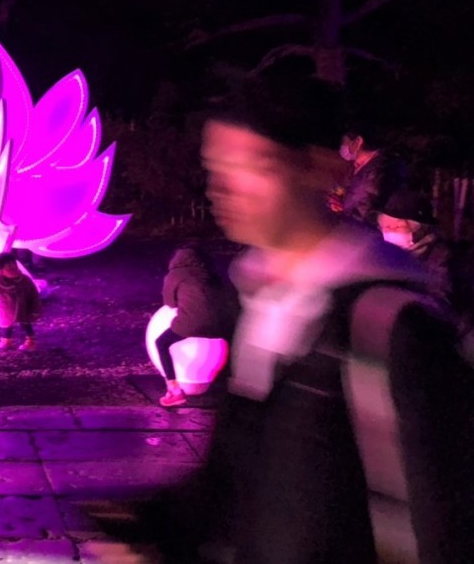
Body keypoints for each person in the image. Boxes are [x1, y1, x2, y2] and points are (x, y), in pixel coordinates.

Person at [146, 76, 474, 564]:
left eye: (251, 166)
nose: (223, 188)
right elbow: (241, 474)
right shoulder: (255, 301)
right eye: (216, 168)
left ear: (319, 168)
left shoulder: (392, 326)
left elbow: (442, 519)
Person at [155, 244, 237, 407]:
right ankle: (233, 388)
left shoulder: (175, 275)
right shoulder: (211, 274)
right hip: (223, 324)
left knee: (162, 343)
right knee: (233, 346)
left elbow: (170, 303)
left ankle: (174, 390)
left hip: (192, 323)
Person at [376, 189, 473, 321]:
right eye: (386, 227)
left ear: (419, 229)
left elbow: (440, 302)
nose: (390, 232)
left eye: (398, 227)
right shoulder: (387, 253)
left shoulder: (440, 256)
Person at [336, 123, 406, 225]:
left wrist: (344, 210)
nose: (342, 147)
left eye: (344, 142)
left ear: (358, 141)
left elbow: (367, 208)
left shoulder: (380, 170)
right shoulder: (361, 165)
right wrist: (340, 201)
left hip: (364, 232)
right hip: (353, 226)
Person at [0, 251, 42, 352]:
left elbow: (34, 295)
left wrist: (35, 309)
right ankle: (6, 341)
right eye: (8, 265)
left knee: (25, 324)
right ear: (1, 269)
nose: (12, 267)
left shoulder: (25, 280)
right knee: (6, 326)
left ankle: (30, 342)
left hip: (24, 308)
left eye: (13, 264)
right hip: (6, 309)